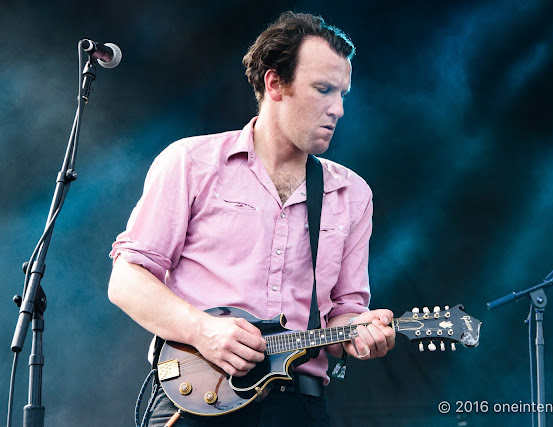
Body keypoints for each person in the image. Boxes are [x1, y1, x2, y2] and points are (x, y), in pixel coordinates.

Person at [108, 11, 395, 426]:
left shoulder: (352, 194)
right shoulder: (190, 162)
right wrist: (202, 330)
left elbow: (343, 315)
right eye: (324, 90)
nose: (339, 109)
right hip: (197, 399)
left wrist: (363, 329)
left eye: (343, 94)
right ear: (274, 83)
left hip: (298, 405)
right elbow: (127, 279)